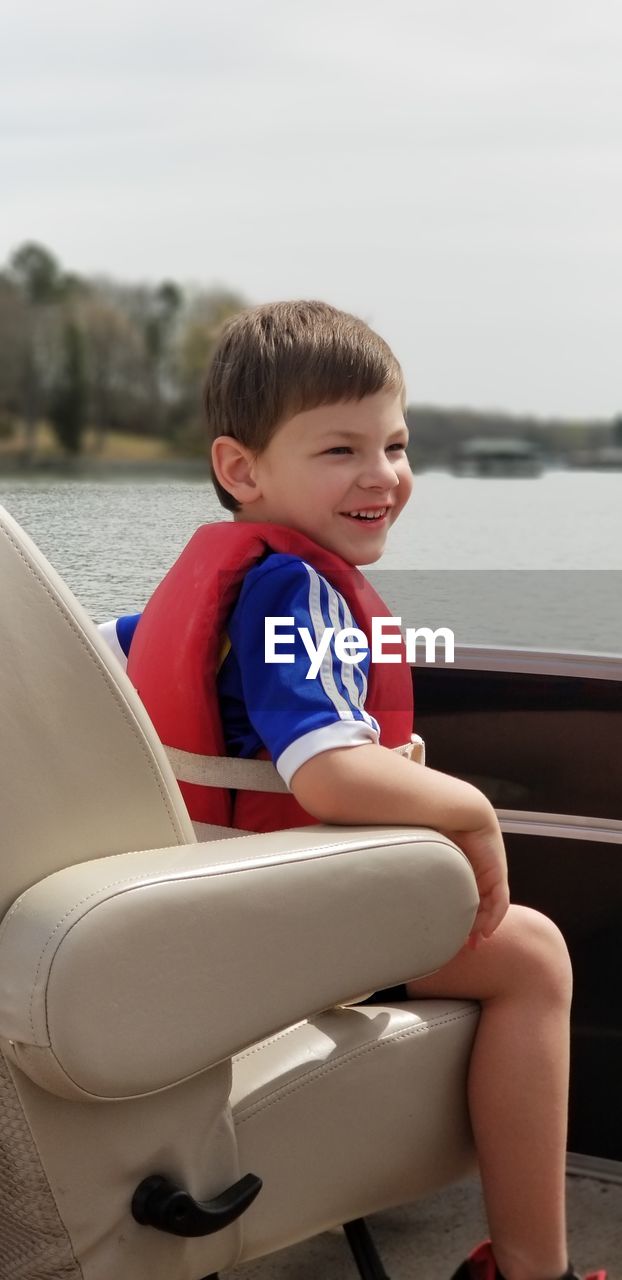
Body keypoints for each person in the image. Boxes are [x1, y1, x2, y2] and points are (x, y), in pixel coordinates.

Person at [122, 301, 605, 1280]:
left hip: (203, 904)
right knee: (533, 954)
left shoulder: (207, 589)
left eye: (394, 442)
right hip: (280, 925)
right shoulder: (297, 592)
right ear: (240, 468)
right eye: (339, 448)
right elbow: (328, 770)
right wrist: (468, 809)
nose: (381, 474)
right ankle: (528, 1269)